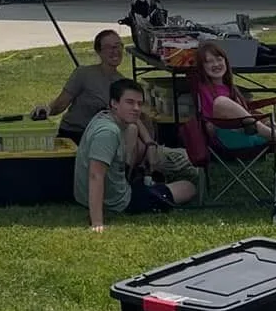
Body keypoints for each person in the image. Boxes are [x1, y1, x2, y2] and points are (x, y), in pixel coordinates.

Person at [35, 29, 198, 191]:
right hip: (77, 133)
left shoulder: (122, 83)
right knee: (138, 138)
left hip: (107, 136)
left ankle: (134, 177)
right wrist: (47, 109)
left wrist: (149, 142)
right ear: (98, 51)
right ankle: (135, 177)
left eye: (118, 46)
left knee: (140, 135)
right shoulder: (84, 74)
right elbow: (60, 104)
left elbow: (135, 116)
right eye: (109, 47)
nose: (115, 51)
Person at [187, 39, 276, 184]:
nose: (216, 64)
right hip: (229, 140)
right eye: (209, 62)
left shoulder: (230, 88)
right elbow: (210, 126)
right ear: (202, 67)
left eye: (219, 59)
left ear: (226, 61)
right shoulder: (204, 88)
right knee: (221, 102)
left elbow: (244, 114)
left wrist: (262, 119)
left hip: (252, 134)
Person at [73, 78, 198, 231]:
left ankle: (145, 180)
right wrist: (97, 222)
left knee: (133, 130)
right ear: (114, 103)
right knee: (188, 187)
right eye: (130, 102)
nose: (136, 108)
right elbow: (95, 176)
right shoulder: (108, 133)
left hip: (94, 195)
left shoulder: (103, 117)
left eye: (139, 103)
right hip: (119, 201)